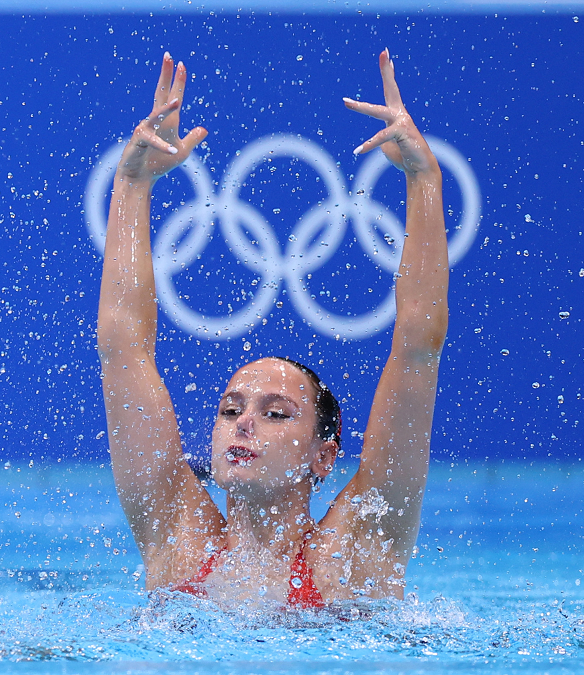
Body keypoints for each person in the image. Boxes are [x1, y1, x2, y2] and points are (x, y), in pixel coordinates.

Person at [96, 50, 447, 607]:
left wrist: (424, 179)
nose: (244, 425)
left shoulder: (356, 549)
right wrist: (132, 183)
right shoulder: (176, 532)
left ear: (323, 457)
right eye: (230, 410)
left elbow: (418, 346)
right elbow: (121, 347)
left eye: (276, 413)